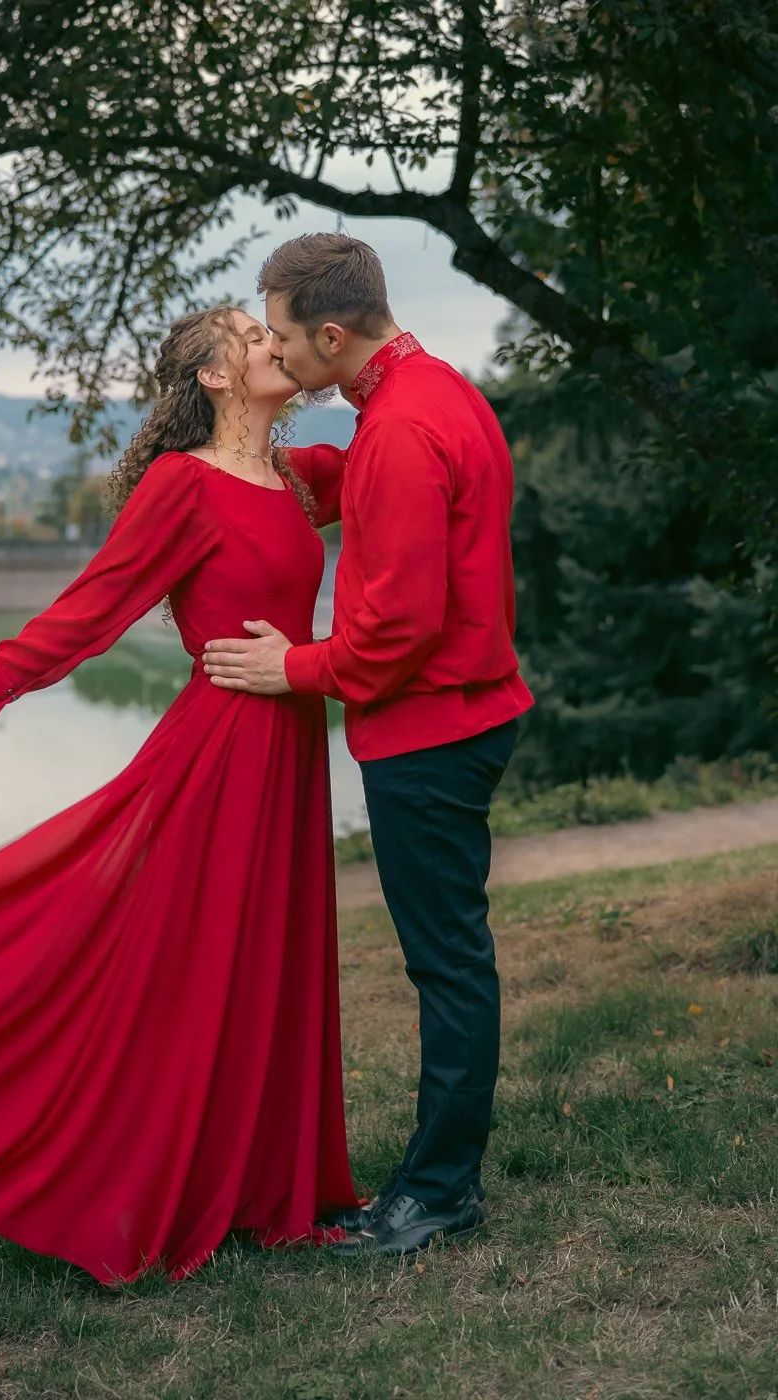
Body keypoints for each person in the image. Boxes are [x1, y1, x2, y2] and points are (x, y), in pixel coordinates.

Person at [0, 306, 360, 1285]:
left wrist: (390, 368)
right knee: (181, 964)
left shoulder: (300, 480)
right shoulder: (185, 485)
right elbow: (92, 607)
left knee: (271, 960)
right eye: (252, 336)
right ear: (214, 377)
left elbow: (397, 458)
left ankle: (271, 1184)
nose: (276, 341)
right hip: (220, 751)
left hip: (290, 745)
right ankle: (125, 1168)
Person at [203, 233, 534, 1257]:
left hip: (431, 732)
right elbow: (358, 479)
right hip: (466, 713)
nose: (284, 360)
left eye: (289, 342)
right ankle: (438, 1180)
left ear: (333, 333)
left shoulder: (399, 430)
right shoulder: (432, 391)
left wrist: (290, 668)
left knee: (447, 965)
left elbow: (395, 630)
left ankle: (437, 1194)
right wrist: (250, 460)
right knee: (453, 957)